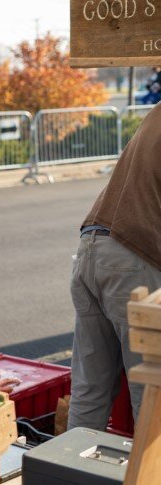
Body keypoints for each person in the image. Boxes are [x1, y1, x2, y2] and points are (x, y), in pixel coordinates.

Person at [67, 102, 161, 432]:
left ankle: (71, 478)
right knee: (151, 394)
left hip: (93, 248)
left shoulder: (157, 112)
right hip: (132, 259)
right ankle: (149, 484)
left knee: (89, 390)